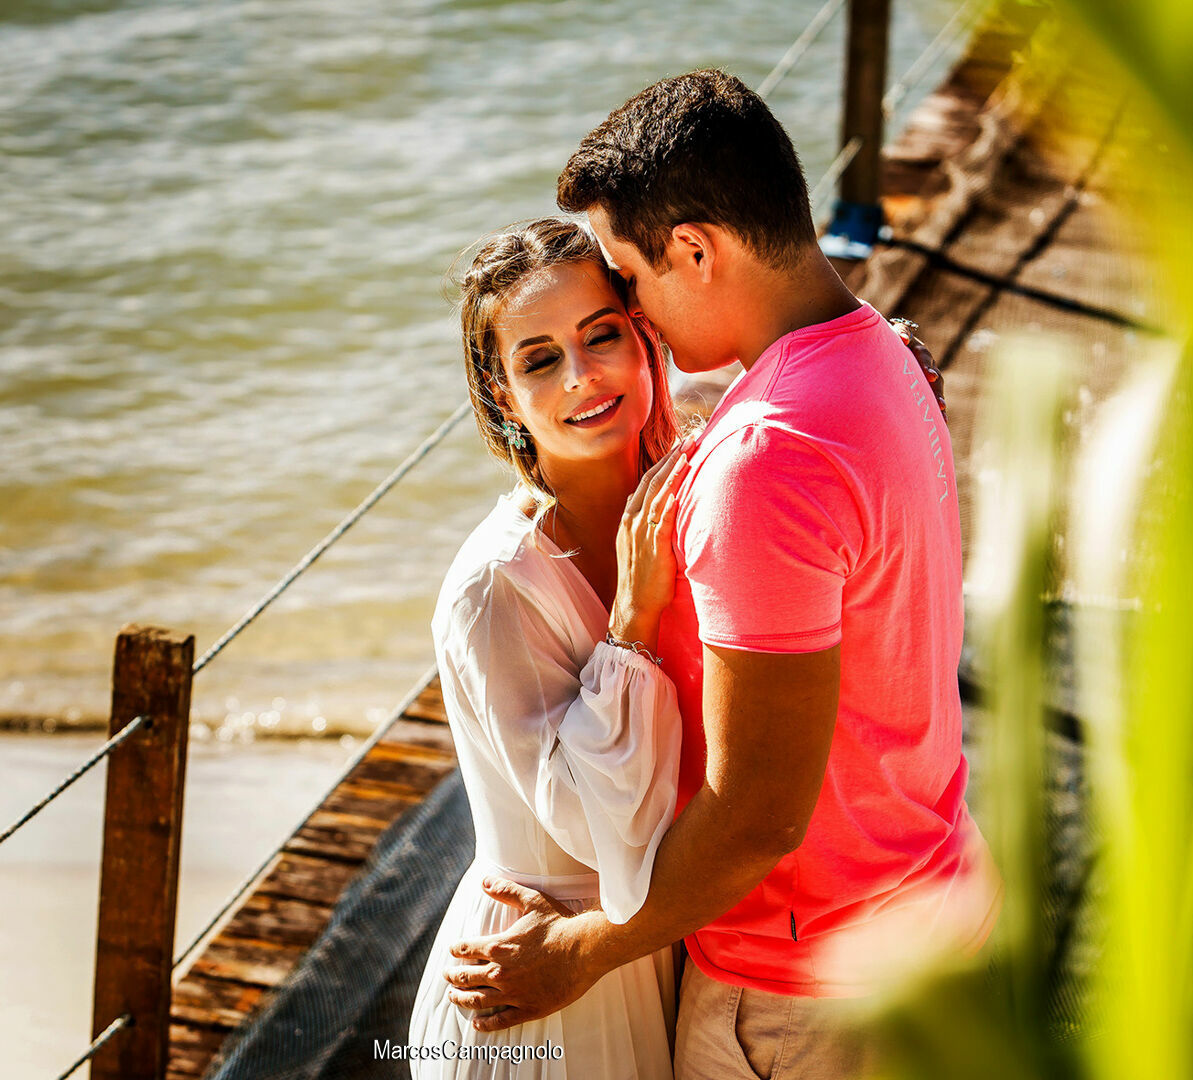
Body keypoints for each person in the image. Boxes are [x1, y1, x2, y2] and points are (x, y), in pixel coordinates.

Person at [442, 70, 1000, 1080]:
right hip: (927, 904)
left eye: (627, 289)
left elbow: (757, 817)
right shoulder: (869, 353)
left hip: (801, 994)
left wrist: (583, 954)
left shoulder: (764, 457)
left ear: (694, 250)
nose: (636, 319)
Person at [407, 218, 691, 1080]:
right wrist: (631, 624)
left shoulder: (690, 488)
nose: (581, 376)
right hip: (544, 984)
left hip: (651, 949)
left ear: (643, 335)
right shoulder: (498, 584)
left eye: (600, 335)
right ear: (501, 395)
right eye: (538, 359)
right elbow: (604, 830)